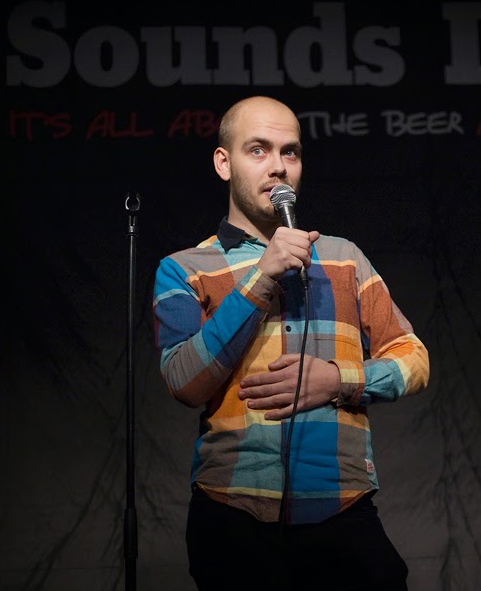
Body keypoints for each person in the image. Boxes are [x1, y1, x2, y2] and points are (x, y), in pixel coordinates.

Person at [152, 95, 430, 590]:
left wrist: (339, 381)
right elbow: (184, 381)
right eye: (258, 150)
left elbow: (414, 357)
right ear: (224, 163)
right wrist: (261, 278)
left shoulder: (343, 257)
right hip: (232, 512)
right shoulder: (184, 269)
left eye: (291, 152)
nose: (279, 166)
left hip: (340, 507)